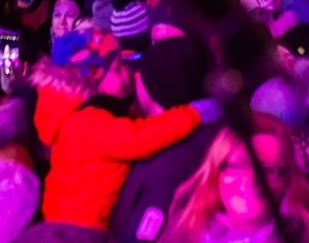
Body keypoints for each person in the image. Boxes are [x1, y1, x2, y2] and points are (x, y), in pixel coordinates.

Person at [33, 50, 216, 230]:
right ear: (92, 80)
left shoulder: (100, 118)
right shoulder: (87, 125)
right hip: (75, 232)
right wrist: (194, 113)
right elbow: (142, 138)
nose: (128, 73)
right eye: (117, 68)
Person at [108, 36, 222, 243]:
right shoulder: (156, 138)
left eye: (141, 74)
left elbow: (141, 237)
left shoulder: (175, 165)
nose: (134, 78)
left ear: (156, 90)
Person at [165, 115, 309, 243]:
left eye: (267, 169)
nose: (251, 179)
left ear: (288, 181)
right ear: (216, 171)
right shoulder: (184, 233)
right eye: (238, 165)